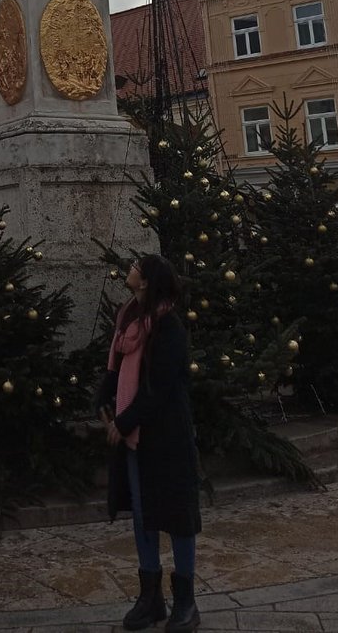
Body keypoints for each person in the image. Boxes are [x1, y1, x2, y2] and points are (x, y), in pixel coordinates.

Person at [96, 254, 201, 632]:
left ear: (146, 280)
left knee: (177, 517)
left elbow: (157, 387)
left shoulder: (168, 327)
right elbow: (117, 369)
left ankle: (186, 602)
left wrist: (123, 422)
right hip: (136, 441)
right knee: (143, 516)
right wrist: (104, 400)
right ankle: (150, 597)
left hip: (166, 438)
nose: (130, 268)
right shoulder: (128, 319)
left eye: (137, 266)